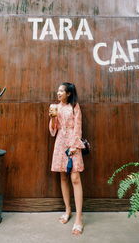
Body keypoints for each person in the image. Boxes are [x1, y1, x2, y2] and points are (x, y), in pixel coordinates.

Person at [49, 82, 85, 235]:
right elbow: (53, 129)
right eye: (58, 90)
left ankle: (79, 219)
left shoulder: (75, 106)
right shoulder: (55, 107)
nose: (58, 93)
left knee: (75, 178)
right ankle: (68, 210)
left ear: (69, 93)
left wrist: (74, 146)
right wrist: (52, 117)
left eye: (61, 91)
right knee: (63, 176)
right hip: (60, 142)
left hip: (72, 143)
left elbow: (78, 127)